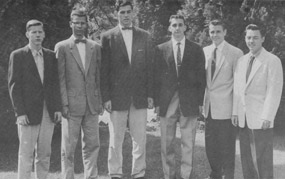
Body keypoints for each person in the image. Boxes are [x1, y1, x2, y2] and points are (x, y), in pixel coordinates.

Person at [100, 1, 154, 178]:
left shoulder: (144, 36)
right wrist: (106, 97)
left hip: (139, 96)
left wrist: (150, 94)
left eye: (128, 12)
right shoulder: (107, 36)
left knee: (140, 139)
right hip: (116, 97)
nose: (125, 15)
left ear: (133, 13)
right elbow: (104, 70)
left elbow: (149, 67)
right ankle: (115, 173)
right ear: (117, 14)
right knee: (115, 139)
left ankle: (138, 173)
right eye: (122, 12)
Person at [8, 19, 62, 179]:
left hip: (48, 112)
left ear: (44, 34)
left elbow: (54, 84)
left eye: (40, 32)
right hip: (27, 113)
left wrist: (57, 108)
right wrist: (20, 113)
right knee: (26, 155)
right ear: (27, 34)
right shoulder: (17, 55)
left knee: (45, 154)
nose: (37, 35)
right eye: (34, 32)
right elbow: (14, 86)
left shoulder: (51, 56)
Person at [154, 14, 206, 179]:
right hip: (167, 101)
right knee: (166, 143)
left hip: (189, 101)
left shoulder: (196, 49)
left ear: (185, 27)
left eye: (180, 25)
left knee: (188, 143)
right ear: (170, 28)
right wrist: (156, 102)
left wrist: (199, 102)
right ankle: (168, 174)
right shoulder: (160, 49)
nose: (177, 28)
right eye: (174, 25)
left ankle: (185, 175)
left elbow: (201, 78)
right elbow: (156, 78)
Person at [54, 6, 102, 179]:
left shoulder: (95, 47)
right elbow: (60, 79)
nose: (80, 26)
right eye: (77, 23)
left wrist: (100, 101)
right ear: (70, 24)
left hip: (91, 105)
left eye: (83, 23)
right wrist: (64, 104)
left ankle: (91, 176)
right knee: (68, 148)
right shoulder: (62, 47)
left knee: (93, 145)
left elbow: (97, 77)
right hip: (71, 107)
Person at [232, 24, 283, 179]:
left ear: (263, 39)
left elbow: (274, 90)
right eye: (248, 37)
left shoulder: (272, 60)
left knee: (262, 162)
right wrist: (235, 112)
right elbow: (238, 89)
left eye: (255, 37)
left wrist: (268, 116)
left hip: (261, 119)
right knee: (247, 161)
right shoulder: (241, 61)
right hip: (243, 118)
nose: (251, 41)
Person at [202, 20, 243, 179]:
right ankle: (215, 174)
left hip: (227, 108)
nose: (215, 35)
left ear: (225, 32)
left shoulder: (235, 53)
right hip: (209, 107)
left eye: (218, 31)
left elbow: (238, 85)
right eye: (212, 32)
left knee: (227, 147)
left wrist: (235, 111)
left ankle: (228, 176)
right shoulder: (204, 51)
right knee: (210, 146)